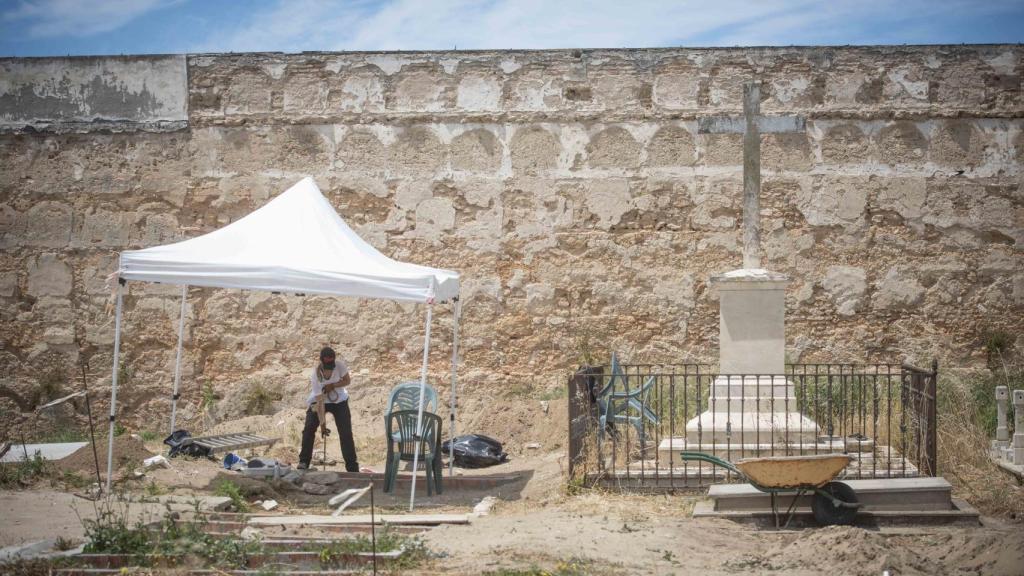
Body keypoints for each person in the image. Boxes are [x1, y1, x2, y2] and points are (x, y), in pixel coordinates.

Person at [298, 346, 359, 471]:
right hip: (319, 400)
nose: (329, 368)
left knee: (346, 432)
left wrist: (333, 385)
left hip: (339, 400)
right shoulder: (316, 374)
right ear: (321, 360)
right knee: (309, 429)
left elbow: (347, 381)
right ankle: (304, 461)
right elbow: (320, 402)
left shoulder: (339, 366)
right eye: (327, 364)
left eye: (331, 363)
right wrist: (322, 425)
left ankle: (352, 467)